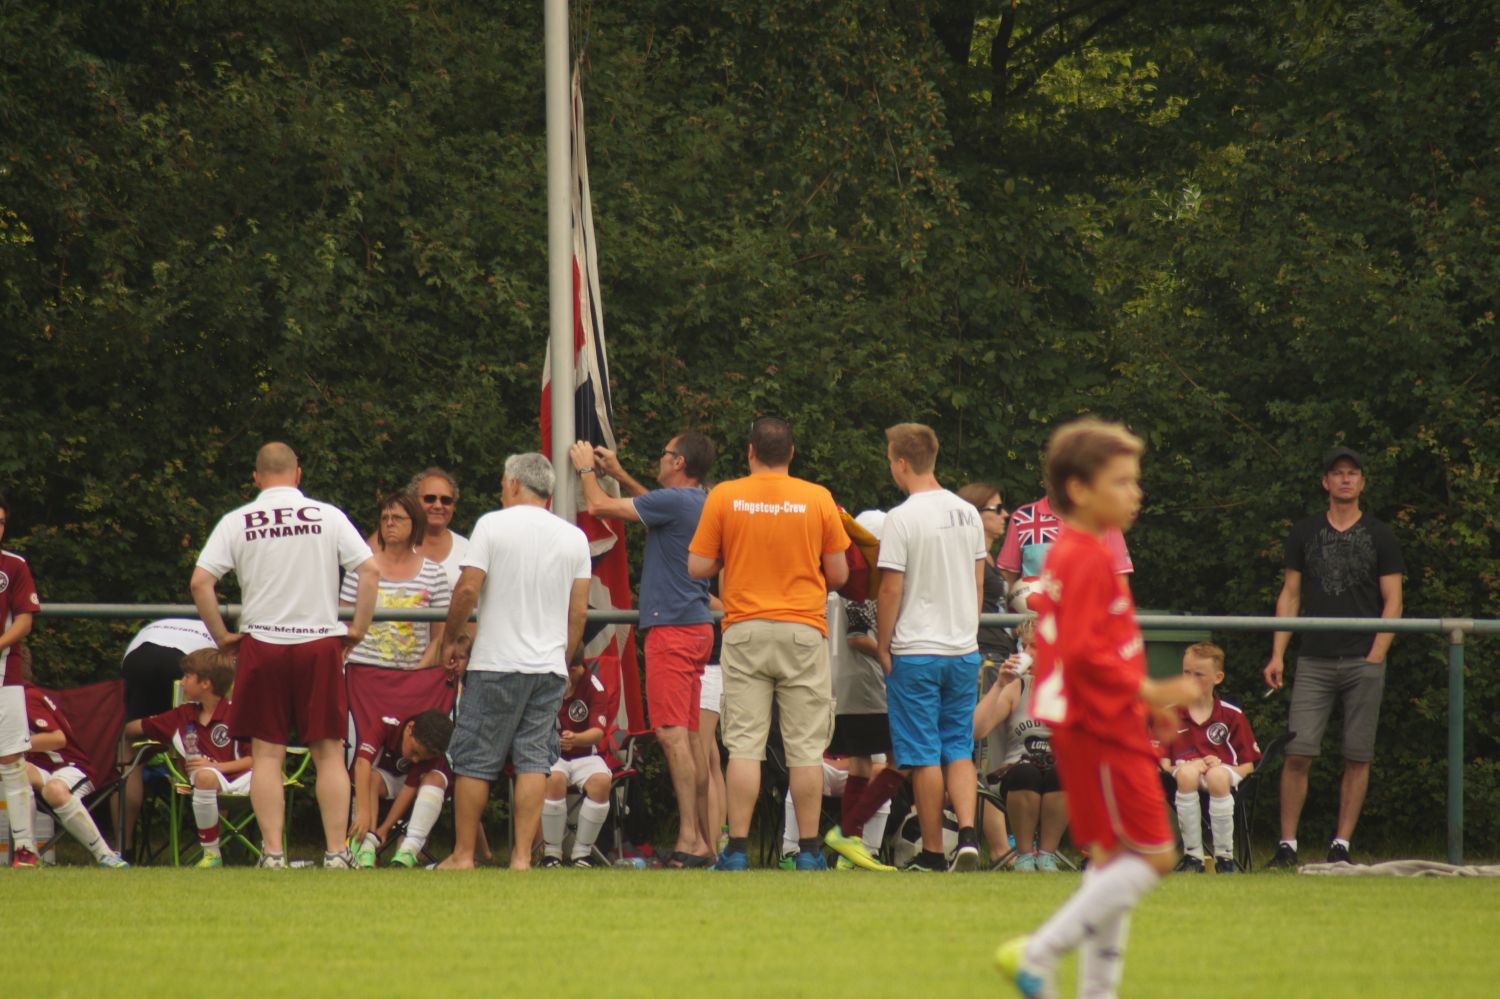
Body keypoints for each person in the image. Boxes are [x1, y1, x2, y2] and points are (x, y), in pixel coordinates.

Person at [996, 418, 1197, 999]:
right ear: (1080, 489)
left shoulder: (1087, 552)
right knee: (1155, 856)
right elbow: (1083, 652)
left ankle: (1096, 991)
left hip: (1103, 721)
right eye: (1123, 482)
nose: (1137, 493)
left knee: (1112, 861)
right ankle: (1039, 952)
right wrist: (1153, 692)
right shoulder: (1082, 556)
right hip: (1100, 728)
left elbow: (1106, 643)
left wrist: (1143, 699)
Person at [190, 441, 380, 869]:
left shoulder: (237, 520)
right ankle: (336, 852)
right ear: (298, 475)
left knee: (267, 755)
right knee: (328, 752)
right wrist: (358, 629)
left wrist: (222, 636)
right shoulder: (327, 515)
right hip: (319, 641)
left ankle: (273, 853)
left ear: (256, 478)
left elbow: (200, 582)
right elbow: (369, 570)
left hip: (263, 643)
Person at [687, 416, 850, 871]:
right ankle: (810, 852)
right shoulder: (817, 498)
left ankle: (737, 850)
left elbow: (697, 566)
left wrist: (732, 553)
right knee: (805, 748)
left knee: (744, 745)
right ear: (792, 454)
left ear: (750, 452)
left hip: (745, 628)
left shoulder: (724, 496)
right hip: (803, 630)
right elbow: (839, 574)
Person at [437, 453, 591, 870]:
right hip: (548, 667)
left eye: (504, 483)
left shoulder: (492, 525)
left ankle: (463, 854)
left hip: (496, 662)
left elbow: (467, 590)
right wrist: (562, 658)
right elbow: (578, 611)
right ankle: (522, 857)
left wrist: (451, 639)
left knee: (474, 761)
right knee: (534, 762)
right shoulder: (574, 537)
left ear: (515, 484)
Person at [569, 431, 717, 866]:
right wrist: (618, 473)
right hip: (694, 628)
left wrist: (585, 468)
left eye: (665, 453)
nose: (661, 458)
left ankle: (690, 840)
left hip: (672, 631)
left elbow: (598, 506)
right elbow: (653, 506)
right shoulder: (693, 501)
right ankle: (704, 841)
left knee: (671, 735)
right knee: (690, 738)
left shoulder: (677, 502)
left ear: (679, 463)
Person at [1263, 446, 1403, 868]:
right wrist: (1277, 654)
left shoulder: (1381, 534)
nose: (1345, 479)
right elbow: (1290, 594)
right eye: (1338, 473)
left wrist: (1377, 653)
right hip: (1313, 659)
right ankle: (1287, 846)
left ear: (1362, 482)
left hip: (1364, 660)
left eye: (1352, 473)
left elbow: (1393, 600)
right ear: (1325, 482)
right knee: (1298, 752)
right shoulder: (1304, 532)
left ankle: (1341, 845)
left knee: (1357, 756)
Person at [865, 423, 985, 873]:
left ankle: (933, 852)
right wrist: (968, 630)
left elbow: (890, 589)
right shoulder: (968, 513)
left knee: (922, 754)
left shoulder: (901, 517)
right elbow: (977, 582)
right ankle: (967, 835)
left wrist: (883, 645)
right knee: (958, 747)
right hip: (962, 648)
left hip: (916, 649)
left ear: (901, 463)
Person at [821, 511, 900, 873]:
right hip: (869, 685)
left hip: (848, 683)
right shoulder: (863, 581)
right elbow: (857, 636)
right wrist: (892, 654)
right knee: (902, 759)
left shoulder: (844, 579)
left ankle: (847, 849)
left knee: (860, 762)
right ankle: (848, 832)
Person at [123, 648, 250, 867]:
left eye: (187, 676)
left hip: (245, 780)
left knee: (269, 778)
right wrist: (122, 732)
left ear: (205, 683)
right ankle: (212, 854)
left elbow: (257, 760)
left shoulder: (237, 714)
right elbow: (133, 728)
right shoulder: (182, 715)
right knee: (204, 777)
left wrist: (218, 767)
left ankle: (271, 852)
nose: (181, 682)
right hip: (205, 782)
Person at [17, 648, 128, 867]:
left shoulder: (27, 697)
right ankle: (27, 853)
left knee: (54, 790)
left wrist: (11, 746)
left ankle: (105, 855)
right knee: (15, 770)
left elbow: (57, 739)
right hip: (39, 768)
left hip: (70, 767)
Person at [117, 617, 217, 857]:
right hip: (183, 660)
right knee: (214, 743)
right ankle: (216, 845)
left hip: (138, 658)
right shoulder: (216, 637)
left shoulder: (156, 628)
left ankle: (123, 849)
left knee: (127, 751)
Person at [974, 620, 1067, 872]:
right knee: (1027, 772)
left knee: (1062, 772)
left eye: (1034, 646)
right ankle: (1024, 855)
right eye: (1022, 645)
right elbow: (977, 730)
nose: (1026, 652)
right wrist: (999, 685)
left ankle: (1047, 854)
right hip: (1016, 771)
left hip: (1061, 772)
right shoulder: (1018, 687)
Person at [1163, 643, 1261, 874]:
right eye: (1186, 672)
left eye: (1199, 675)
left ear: (1218, 678)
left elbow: (1248, 764)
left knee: (1216, 775)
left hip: (1224, 775)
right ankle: (1193, 857)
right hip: (1182, 777)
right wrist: (1187, 765)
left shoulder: (1232, 714)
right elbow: (1162, 763)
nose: (1190, 680)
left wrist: (1223, 766)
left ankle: (1225, 858)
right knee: (1187, 773)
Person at [340, 492, 450, 671]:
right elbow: (343, 626)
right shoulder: (360, 568)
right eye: (385, 518)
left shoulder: (435, 573)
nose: (389, 523)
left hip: (412, 675)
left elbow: (439, 637)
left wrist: (418, 672)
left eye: (397, 518)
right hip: (361, 672)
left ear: (415, 522)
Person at [348, 708, 454, 869]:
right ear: (410, 728)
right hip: (386, 778)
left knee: (435, 779)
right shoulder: (386, 724)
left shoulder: (431, 750)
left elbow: (408, 789)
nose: (416, 760)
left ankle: (409, 849)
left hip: (419, 787)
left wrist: (385, 829)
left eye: (422, 757)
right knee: (370, 777)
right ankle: (366, 846)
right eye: (415, 751)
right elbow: (362, 763)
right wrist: (363, 812)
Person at [0, 492, 43, 868]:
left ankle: (25, 849)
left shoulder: (14, 566)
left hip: (5, 675)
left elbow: (24, 622)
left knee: (11, 758)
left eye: (0, 523)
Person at [540, 661, 612, 868]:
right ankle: (552, 853)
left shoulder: (594, 686)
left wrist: (576, 739)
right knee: (554, 779)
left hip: (585, 753)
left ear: (576, 667)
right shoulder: (547, 678)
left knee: (601, 782)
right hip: (551, 754)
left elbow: (597, 733)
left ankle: (582, 853)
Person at [997, 486, 1132, 587]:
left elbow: (1119, 579)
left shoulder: (1103, 518)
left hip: (1090, 615)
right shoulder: (1023, 517)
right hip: (1036, 615)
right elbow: (1007, 576)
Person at [779, 754, 889, 867]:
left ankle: (868, 854)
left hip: (857, 773)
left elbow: (880, 765)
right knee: (802, 776)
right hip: (820, 767)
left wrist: (843, 763)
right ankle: (791, 852)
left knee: (880, 785)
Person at [957, 483, 1016, 662]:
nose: (1005, 514)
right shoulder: (965, 557)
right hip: (982, 652)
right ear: (975, 513)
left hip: (1000, 651)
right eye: (997, 509)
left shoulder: (987, 557)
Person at [695, 585, 728, 857]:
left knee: (701, 757)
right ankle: (718, 841)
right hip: (710, 663)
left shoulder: (714, 568)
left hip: (710, 665)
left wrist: (688, 590)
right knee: (711, 757)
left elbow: (727, 607)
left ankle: (709, 847)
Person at [409, 467, 469, 593]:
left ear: (454, 506)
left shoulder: (468, 551)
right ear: (413, 502)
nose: (438, 506)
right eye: (430, 498)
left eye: (446, 500)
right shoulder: (396, 546)